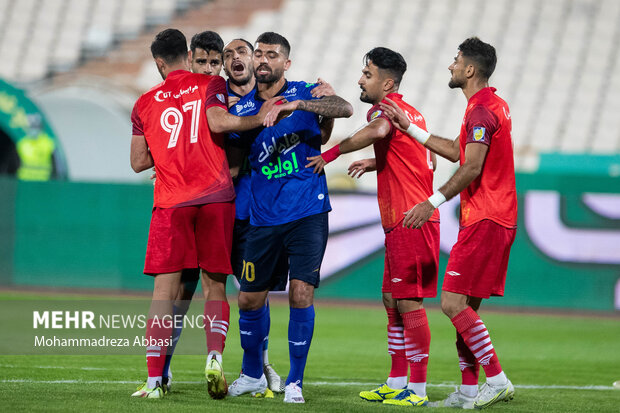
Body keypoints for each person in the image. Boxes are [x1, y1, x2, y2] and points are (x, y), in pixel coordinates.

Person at [129, 28, 280, 400]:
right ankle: (214, 355)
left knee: (164, 293)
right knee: (217, 286)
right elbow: (217, 123)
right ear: (188, 54)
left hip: (170, 202)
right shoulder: (210, 86)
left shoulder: (145, 102)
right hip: (216, 198)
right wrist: (263, 116)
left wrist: (167, 153)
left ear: (159, 63)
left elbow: (137, 163)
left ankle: (153, 381)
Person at [379, 37, 517, 409]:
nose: (451, 66)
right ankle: (469, 391)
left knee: (452, 303)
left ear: (470, 69)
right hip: (497, 215)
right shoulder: (489, 105)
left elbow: (470, 166)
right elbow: (458, 151)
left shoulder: (482, 110)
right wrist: (411, 128)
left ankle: (498, 379)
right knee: (466, 309)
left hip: (486, 216)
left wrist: (431, 201)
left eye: (456, 61)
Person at [306, 47, 439, 407]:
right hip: (402, 219)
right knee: (391, 300)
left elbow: (379, 128)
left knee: (409, 303)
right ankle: (396, 382)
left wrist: (331, 154)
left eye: (367, 74)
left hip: (411, 219)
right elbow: (425, 165)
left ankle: (418, 389)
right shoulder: (414, 115)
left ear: (388, 82)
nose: (361, 80)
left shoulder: (386, 111)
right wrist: (379, 161)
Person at [226, 32, 353, 404]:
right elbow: (233, 165)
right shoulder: (245, 111)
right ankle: (251, 374)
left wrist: (296, 104)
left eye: (273, 54)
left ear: (287, 63)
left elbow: (345, 108)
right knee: (249, 300)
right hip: (263, 218)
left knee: (301, 293)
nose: (264, 60)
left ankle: (295, 382)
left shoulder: (307, 91)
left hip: (307, 211)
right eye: (260, 54)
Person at [160, 29, 226, 394]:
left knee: (206, 290)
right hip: (213, 202)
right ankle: (194, 362)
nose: (208, 68)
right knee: (194, 291)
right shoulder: (198, 98)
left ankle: (163, 372)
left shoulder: (222, 96)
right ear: (188, 59)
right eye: (201, 61)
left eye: (214, 63)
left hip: (207, 202)